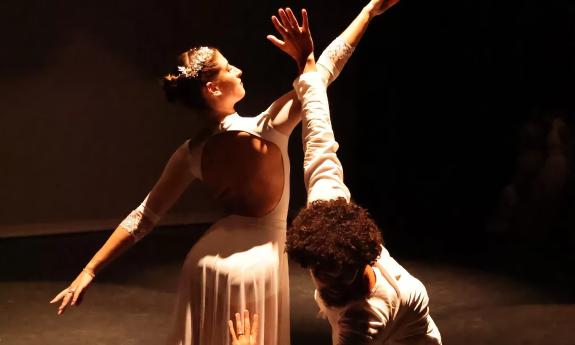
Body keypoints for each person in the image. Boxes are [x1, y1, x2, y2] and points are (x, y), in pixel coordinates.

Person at [50, 1, 399, 344]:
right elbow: (322, 73)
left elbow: (143, 217)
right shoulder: (268, 127)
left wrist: (89, 271)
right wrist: (367, 12)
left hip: (204, 264)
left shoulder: (190, 153)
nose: (239, 71)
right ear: (213, 88)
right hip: (255, 268)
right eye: (229, 68)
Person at [285, 1, 443, 344]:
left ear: (362, 262)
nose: (328, 281)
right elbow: (318, 137)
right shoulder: (327, 210)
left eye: (339, 275)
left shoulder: (359, 323)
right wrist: (306, 64)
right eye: (320, 272)